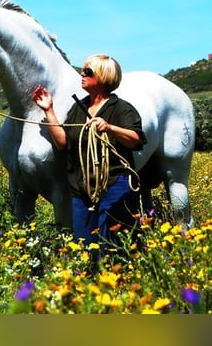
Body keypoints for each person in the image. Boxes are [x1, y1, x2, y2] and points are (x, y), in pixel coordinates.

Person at [32, 54, 147, 251]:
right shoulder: (79, 108)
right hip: (81, 189)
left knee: (112, 246)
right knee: (84, 246)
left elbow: (136, 139)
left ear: (103, 76)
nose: (81, 74)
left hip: (114, 184)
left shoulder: (121, 109)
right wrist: (48, 110)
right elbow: (63, 143)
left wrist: (110, 128)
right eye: (83, 70)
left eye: (88, 71)